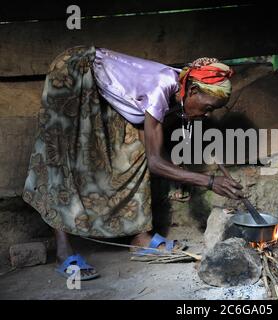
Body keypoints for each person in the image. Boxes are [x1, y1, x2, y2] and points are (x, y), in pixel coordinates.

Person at [22, 46, 243, 280]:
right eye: (208, 108)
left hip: (100, 87)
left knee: (134, 152)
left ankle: (141, 238)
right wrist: (208, 182)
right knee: (64, 153)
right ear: (194, 90)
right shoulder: (161, 88)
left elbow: (151, 151)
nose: (207, 115)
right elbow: (156, 163)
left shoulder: (182, 86)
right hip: (74, 72)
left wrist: (186, 175)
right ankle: (63, 250)